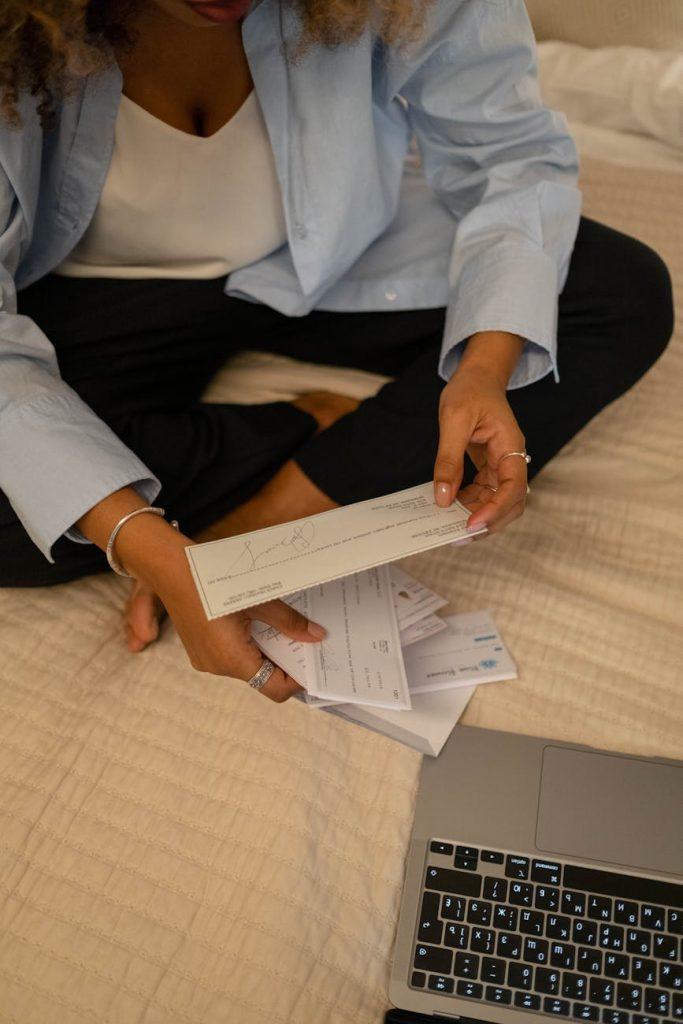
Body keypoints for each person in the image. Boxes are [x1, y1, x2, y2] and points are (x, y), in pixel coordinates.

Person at [0, 0, 673, 701]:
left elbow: (509, 158)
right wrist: (145, 543)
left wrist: (482, 368)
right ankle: (316, 424)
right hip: (94, 288)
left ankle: (282, 499)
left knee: (617, 290)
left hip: (326, 252)